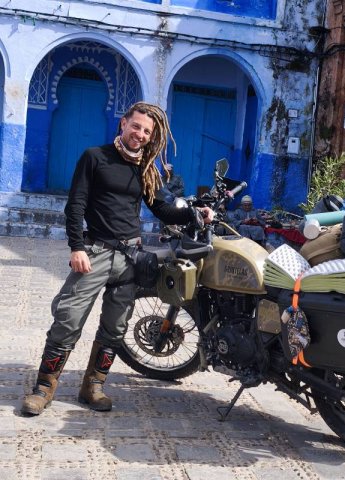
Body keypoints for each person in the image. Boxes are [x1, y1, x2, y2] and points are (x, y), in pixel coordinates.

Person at [21, 102, 213, 416]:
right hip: (95, 252)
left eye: (147, 131)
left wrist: (194, 213)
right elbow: (76, 205)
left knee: (115, 326)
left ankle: (93, 387)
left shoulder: (146, 168)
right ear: (123, 123)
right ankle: (44, 388)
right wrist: (77, 247)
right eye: (136, 126)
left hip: (130, 258)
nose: (140, 134)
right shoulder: (94, 157)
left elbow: (162, 209)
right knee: (68, 320)